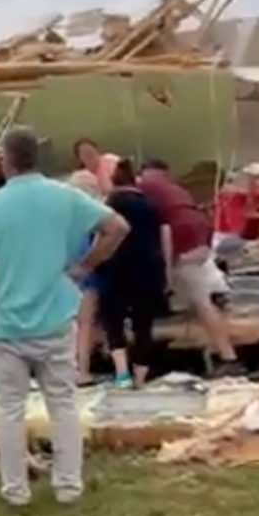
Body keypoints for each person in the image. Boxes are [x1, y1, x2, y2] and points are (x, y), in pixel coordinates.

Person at [0, 126, 129, 507]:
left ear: (5, 160)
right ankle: (68, 486)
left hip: (5, 322)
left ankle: (15, 490)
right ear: (36, 157)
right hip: (55, 317)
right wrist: (82, 266)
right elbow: (117, 227)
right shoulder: (65, 196)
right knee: (62, 403)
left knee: (9, 408)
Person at [139, 159, 244, 377]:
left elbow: (165, 230)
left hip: (183, 242)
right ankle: (224, 355)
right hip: (199, 238)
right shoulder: (174, 189)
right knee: (198, 298)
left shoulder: (143, 187)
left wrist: (165, 269)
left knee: (198, 301)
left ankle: (228, 356)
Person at [97, 158, 168, 389]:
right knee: (143, 324)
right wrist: (166, 270)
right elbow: (164, 236)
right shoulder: (150, 204)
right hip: (148, 267)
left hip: (116, 266)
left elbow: (101, 236)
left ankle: (122, 374)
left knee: (113, 320)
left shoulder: (110, 204)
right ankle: (140, 376)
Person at [67, 169, 104, 386]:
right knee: (85, 324)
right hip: (87, 273)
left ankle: (67, 370)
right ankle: (82, 370)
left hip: (64, 273)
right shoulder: (94, 214)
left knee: (66, 325)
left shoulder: (62, 215)